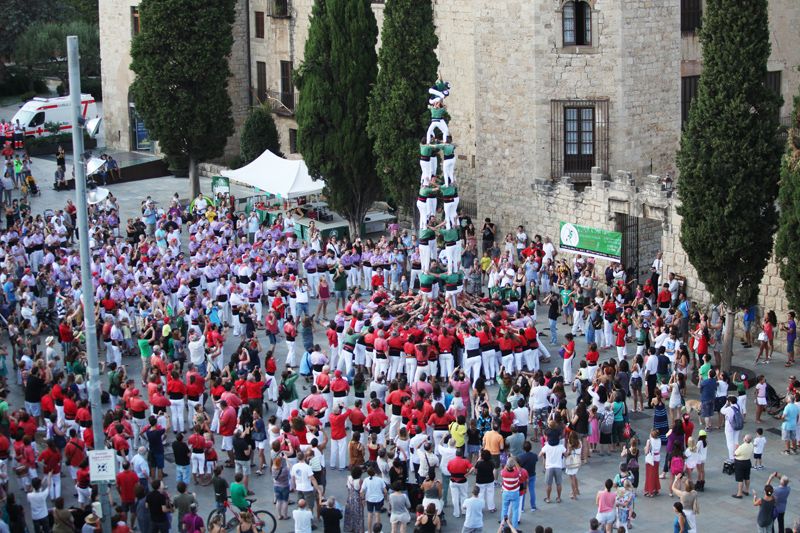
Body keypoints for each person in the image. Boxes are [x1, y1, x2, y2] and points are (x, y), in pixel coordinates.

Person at [539, 436, 567, 503]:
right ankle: (559, 498)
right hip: (558, 467)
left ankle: (548, 498)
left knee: (549, 484)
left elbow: (540, 454)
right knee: (559, 484)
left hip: (549, 467)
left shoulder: (547, 446)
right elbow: (566, 454)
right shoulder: (561, 447)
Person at [361, 466, 387, 533]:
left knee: (370, 514)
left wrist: (363, 499)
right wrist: (385, 497)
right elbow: (385, 491)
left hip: (369, 499)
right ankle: (378, 531)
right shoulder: (380, 479)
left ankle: (369, 531)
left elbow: (362, 491)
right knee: (377, 514)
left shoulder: (366, 480)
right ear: (375, 472)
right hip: (379, 498)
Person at [732, 434, 754, 499]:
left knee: (740, 479)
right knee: (747, 477)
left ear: (745, 439)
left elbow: (735, 454)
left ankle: (739, 494)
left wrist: (736, 448)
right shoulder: (751, 445)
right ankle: (746, 490)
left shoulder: (742, 447)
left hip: (740, 463)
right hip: (747, 462)